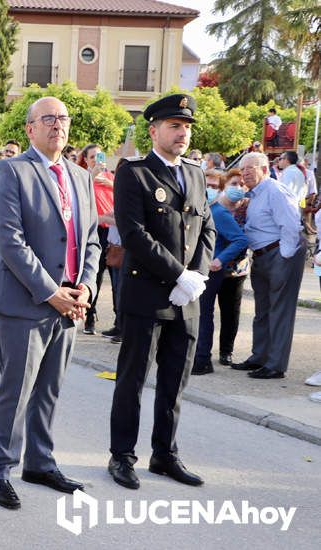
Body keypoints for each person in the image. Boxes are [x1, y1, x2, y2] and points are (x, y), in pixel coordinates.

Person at [0, 97, 101, 510]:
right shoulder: (13, 171)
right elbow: (10, 241)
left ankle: (40, 461)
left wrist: (86, 287)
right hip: (28, 302)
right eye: (48, 118)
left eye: (64, 118)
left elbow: (90, 241)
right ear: (30, 129)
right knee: (15, 390)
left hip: (71, 302)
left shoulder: (80, 177)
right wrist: (51, 292)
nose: (58, 125)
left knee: (49, 389)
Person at [108, 94, 215, 491]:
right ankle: (122, 455)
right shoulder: (134, 173)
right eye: (174, 126)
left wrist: (198, 277)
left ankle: (164, 454)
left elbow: (207, 228)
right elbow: (134, 234)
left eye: (186, 127)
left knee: (175, 380)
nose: (182, 133)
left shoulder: (196, 173)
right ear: (153, 131)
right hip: (147, 295)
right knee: (133, 379)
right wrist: (177, 276)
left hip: (186, 298)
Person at [230, 152, 305, 379]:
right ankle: (259, 356)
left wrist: (284, 256)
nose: (245, 173)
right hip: (262, 256)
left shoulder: (274, 190)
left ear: (264, 168)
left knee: (280, 311)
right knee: (262, 311)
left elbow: (291, 224)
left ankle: (275, 364)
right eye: (243, 170)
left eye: (250, 168)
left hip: (279, 254)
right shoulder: (255, 193)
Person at [192, 169, 249, 375]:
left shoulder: (219, 213)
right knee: (201, 313)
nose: (209, 189)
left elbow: (241, 240)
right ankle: (199, 358)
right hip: (204, 267)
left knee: (205, 314)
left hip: (214, 269)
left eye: (215, 186)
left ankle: (202, 360)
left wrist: (220, 259)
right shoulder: (209, 208)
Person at [77, 144, 115, 335]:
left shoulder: (111, 178)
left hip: (114, 233)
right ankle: (90, 315)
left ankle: (119, 323)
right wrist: (92, 176)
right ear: (86, 159)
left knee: (117, 279)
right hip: (95, 232)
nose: (96, 160)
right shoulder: (83, 177)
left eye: (99, 156)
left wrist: (112, 184)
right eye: (92, 157)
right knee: (95, 274)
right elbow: (81, 201)